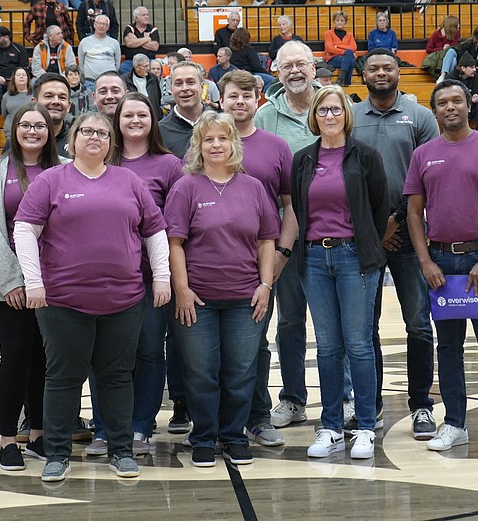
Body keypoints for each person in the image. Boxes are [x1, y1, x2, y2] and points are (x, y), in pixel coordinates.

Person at [13, 112, 170, 481]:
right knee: (63, 377)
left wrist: (161, 277)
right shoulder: (52, 181)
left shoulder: (129, 181)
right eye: (87, 131)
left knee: (116, 377)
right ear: (71, 140)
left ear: (111, 142)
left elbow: (155, 233)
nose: (95, 137)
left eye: (102, 132)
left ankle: (121, 450)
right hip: (63, 303)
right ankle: (56, 454)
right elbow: (23, 230)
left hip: (125, 300)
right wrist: (33, 281)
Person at [404, 79, 478, 456]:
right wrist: (425, 261)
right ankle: (454, 423)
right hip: (441, 263)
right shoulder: (423, 154)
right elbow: (413, 213)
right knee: (448, 346)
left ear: (468, 106)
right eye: (442, 103)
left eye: (456, 101)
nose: (450, 107)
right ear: (434, 110)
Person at [164, 110, 277, 467]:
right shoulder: (186, 186)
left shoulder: (253, 187)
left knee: (241, 371)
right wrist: (181, 289)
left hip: (245, 298)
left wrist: (265, 284)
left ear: (234, 143)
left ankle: (233, 436)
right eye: (209, 138)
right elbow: (174, 242)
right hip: (198, 299)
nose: (216, 144)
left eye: (223, 138)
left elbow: (266, 241)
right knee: (200, 372)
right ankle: (203, 437)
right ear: (198, 144)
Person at [282, 85, 387, 459]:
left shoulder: (366, 156)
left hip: (354, 258)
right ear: (314, 116)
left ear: (346, 114)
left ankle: (364, 427)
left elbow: (378, 210)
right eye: (322, 110)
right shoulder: (302, 160)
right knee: (327, 346)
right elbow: (297, 208)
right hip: (312, 258)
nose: (329, 116)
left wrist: (362, 247)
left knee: (358, 344)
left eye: (335, 109)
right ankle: (330, 427)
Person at [349, 49, 439, 439]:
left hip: (408, 236)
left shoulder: (420, 117)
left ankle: (421, 406)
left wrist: (396, 220)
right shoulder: (350, 118)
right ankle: (372, 405)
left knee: (418, 324)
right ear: (362, 74)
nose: (381, 73)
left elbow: (430, 174)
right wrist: (373, 226)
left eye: (387, 67)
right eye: (373, 68)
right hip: (365, 237)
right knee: (364, 327)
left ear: (398, 72)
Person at [0, 102, 64, 470]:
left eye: (39, 125)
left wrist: (49, 278)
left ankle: (38, 433)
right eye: (25, 125)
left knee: (46, 359)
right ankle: (8, 438)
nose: (32, 131)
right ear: (13, 129)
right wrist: (12, 280)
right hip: (7, 285)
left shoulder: (64, 169)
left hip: (55, 283)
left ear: (50, 131)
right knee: (15, 357)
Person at [213, 70, 294, 448]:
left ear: (258, 99)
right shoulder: (208, 143)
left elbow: (290, 207)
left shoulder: (276, 147)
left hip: (261, 265)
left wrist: (281, 255)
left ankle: (258, 417)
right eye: (233, 95)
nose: (240, 102)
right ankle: (213, 421)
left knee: (256, 345)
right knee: (211, 350)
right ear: (221, 100)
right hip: (212, 266)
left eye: (247, 95)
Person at [105, 91, 182, 453]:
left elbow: (178, 222)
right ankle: (106, 425)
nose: (135, 121)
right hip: (106, 276)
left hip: (152, 277)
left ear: (153, 122)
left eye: (143, 115)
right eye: (128, 115)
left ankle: (140, 424)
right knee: (107, 352)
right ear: (116, 122)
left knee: (150, 351)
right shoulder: (103, 158)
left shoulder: (168, 164)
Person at [255, 41, 318, 430]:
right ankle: (293, 398)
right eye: (286, 65)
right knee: (290, 322)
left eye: (301, 64)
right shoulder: (265, 116)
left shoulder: (334, 105)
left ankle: (343, 398)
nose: (294, 71)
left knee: (339, 325)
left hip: (335, 232)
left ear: (314, 68)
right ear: (276, 72)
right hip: (283, 238)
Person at [159, 62, 208, 158]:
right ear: (171, 90)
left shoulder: (220, 125)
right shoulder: (160, 131)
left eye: (190, 82)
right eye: (178, 83)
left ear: (201, 87)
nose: (185, 88)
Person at [446, 53, 478, 135]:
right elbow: (449, 97)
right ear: (463, 68)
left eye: (474, 67)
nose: (474, 70)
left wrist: (476, 98)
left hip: (472, 106)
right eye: (471, 67)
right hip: (456, 108)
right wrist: (469, 99)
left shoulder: (475, 77)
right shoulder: (451, 78)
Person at [33, 73, 73, 155]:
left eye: (62, 97)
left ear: (69, 106)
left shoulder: (78, 141)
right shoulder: (18, 140)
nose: (56, 102)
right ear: (34, 102)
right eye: (48, 96)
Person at [77, 15, 120, 92]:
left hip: (109, 82)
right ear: (94, 24)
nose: (101, 26)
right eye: (99, 23)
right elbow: (81, 64)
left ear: (108, 27)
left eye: (104, 24)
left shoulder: (114, 43)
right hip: (90, 83)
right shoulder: (84, 42)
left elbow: (117, 64)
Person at [229, 27, 274, 93]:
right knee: (272, 80)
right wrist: (268, 74)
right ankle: (264, 98)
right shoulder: (249, 50)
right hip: (249, 74)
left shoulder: (230, 49)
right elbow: (256, 67)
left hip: (234, 74)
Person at [121, 5, 159, 76]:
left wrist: (136, 40)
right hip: (131, 61)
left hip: (149, 60)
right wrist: (147, 39)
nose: (147, 17)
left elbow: (155, 46)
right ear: (136, 18)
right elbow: (129, 43)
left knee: (155, 69)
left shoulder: (153, 29)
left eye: (147, 14)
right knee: (122, 68)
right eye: (143, 15)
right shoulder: (129, 28)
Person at [324, 11, 357, 87]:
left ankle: (340, 79)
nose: (339, 22)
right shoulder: (328, 33)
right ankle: (347, 82)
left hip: (344, 59)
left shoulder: (349, 35)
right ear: (334, 21)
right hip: (332, 59)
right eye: (337, 20)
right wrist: (346, 51)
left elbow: (354, 47)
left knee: (349, 57)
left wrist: (337, 46)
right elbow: (330, 49)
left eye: (342, 21)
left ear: (345, 22)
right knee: (350, 59)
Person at [425, 15, 460, 81]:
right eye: (457, 25)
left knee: (451, 51)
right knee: (454, 60)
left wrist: (448, 47)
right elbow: (429, 49)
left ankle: (443, 75)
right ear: (452, 26)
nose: (459, 26)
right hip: (440, 58)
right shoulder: (436, 34)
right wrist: (442, 48)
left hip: (452, 53)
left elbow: (455, 46)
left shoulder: (456, 33)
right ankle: (449, 79)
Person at [1, 67, 32, 144]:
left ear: (28, 78)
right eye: (18, 75)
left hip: (30, 132)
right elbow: (4, 114)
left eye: (23, 75)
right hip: (11, 132)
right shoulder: (6, 96)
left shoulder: (35, 94)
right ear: (14, 78)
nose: (21, 76)